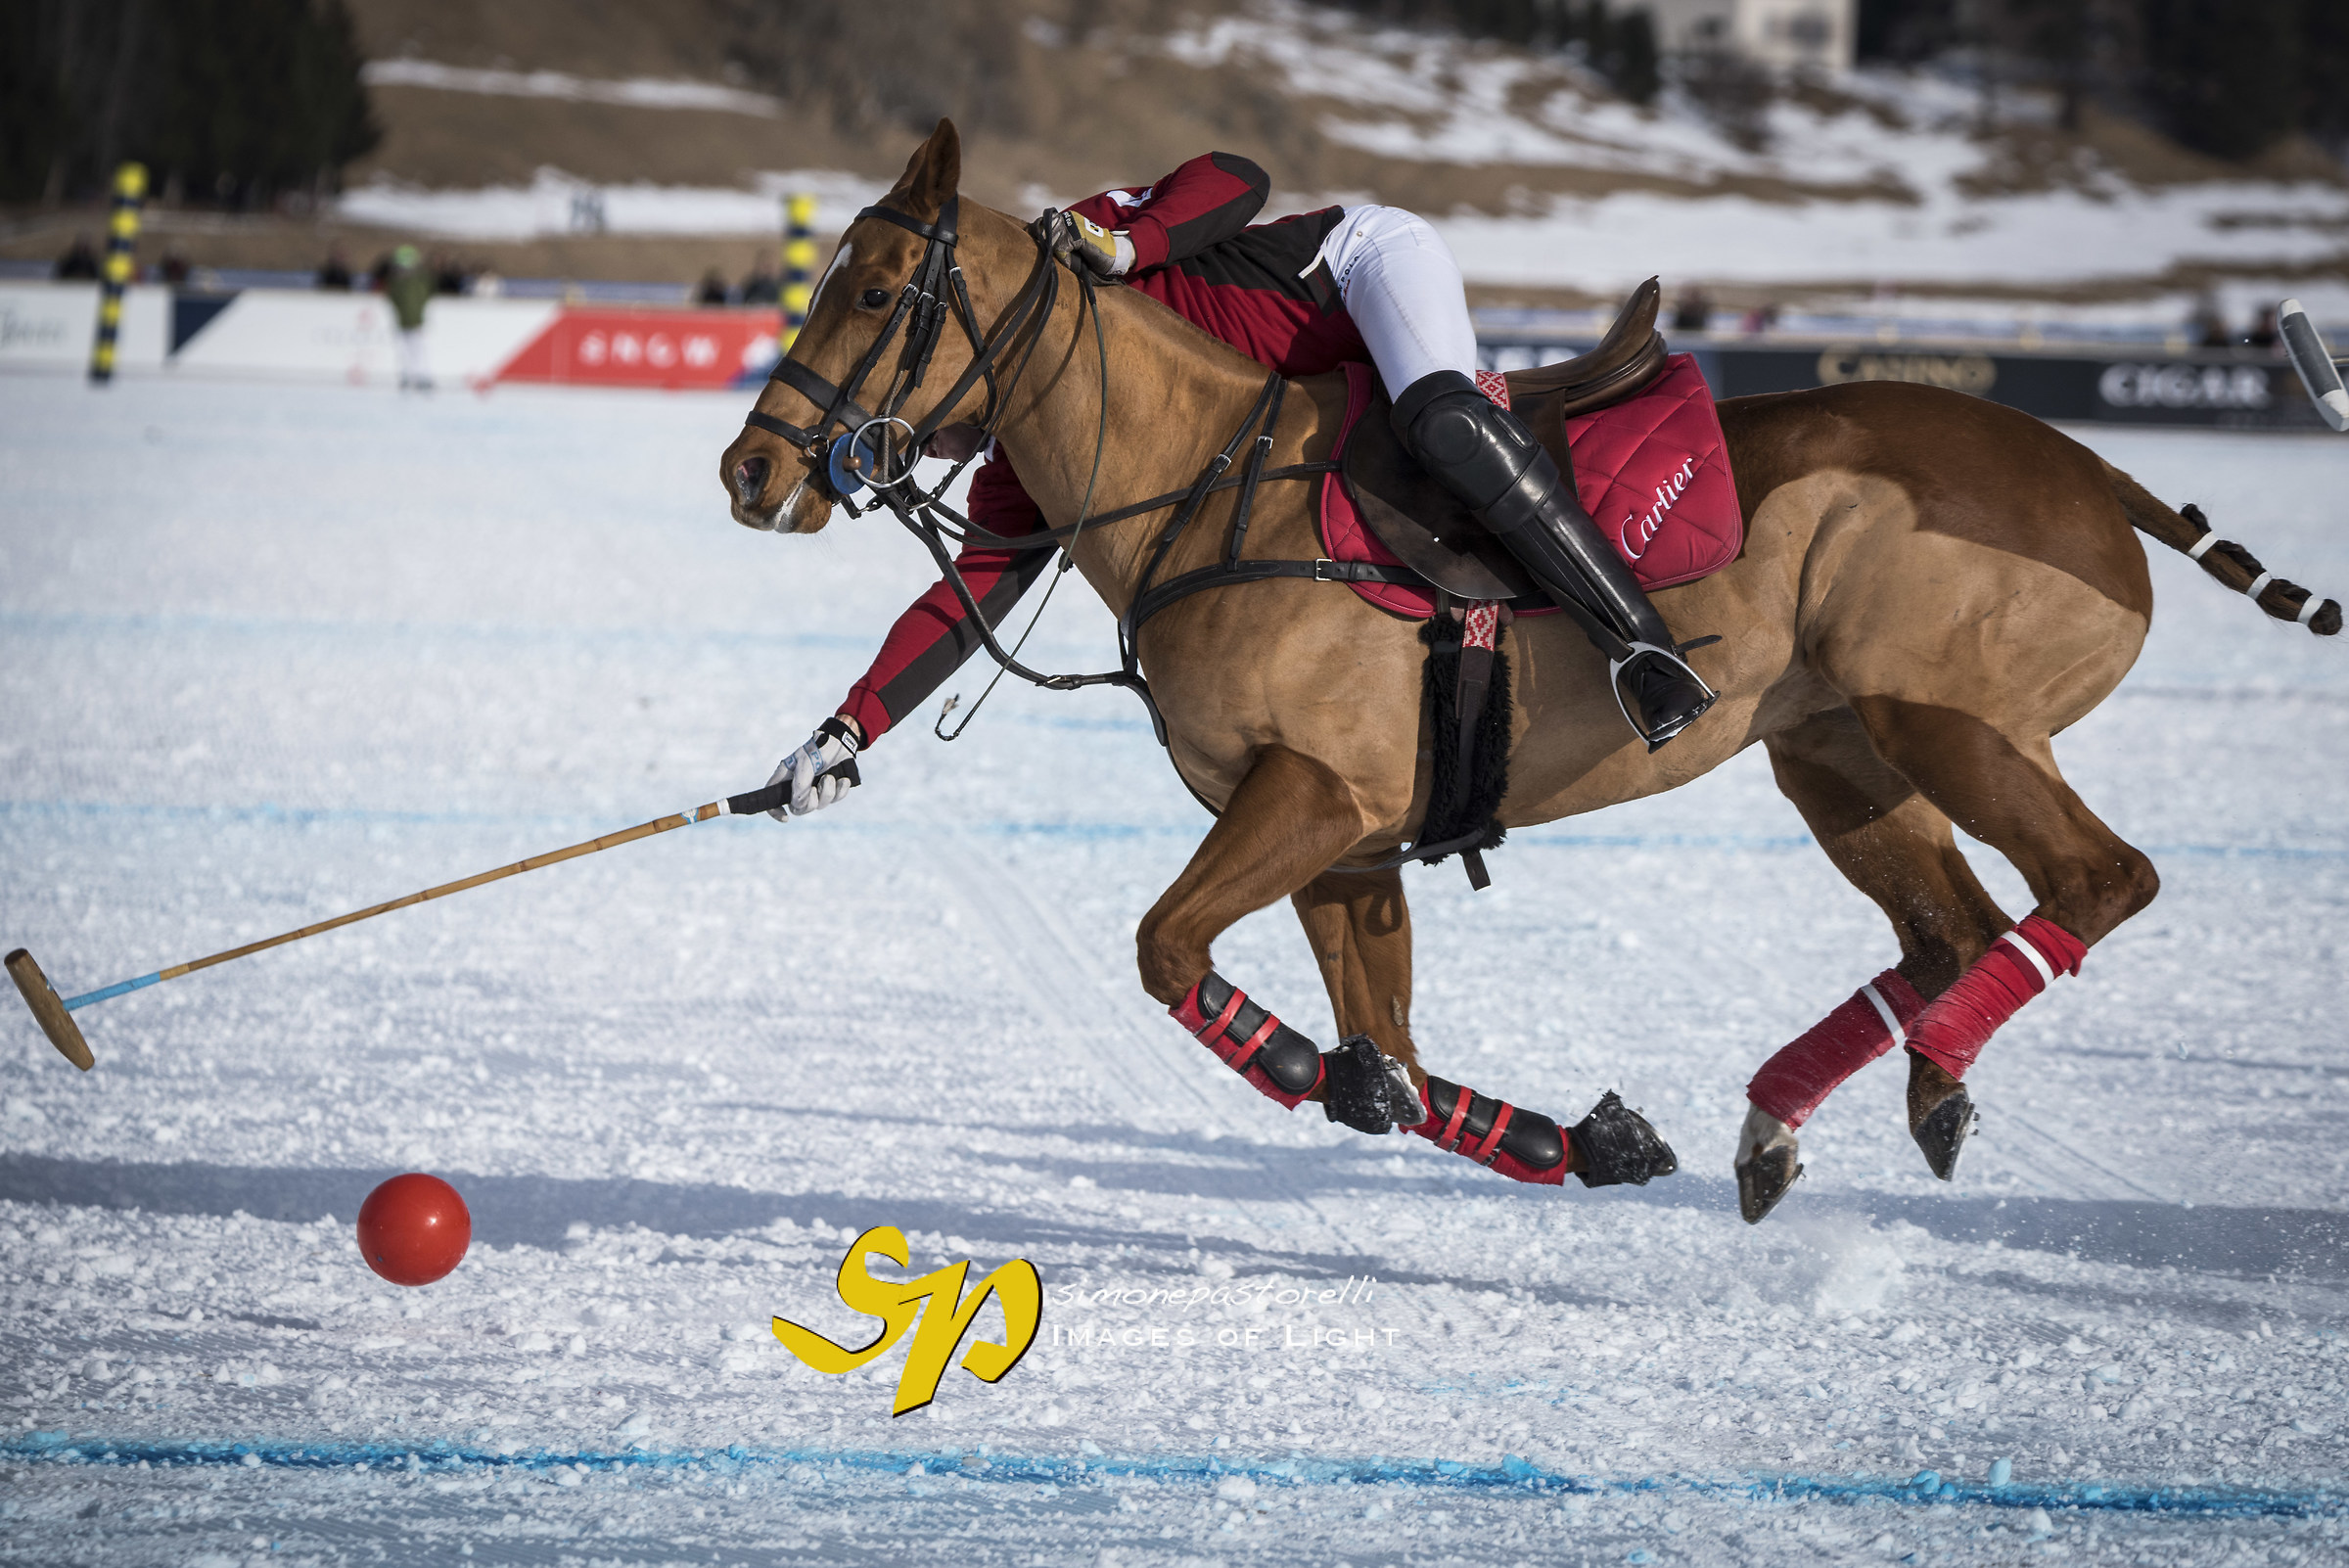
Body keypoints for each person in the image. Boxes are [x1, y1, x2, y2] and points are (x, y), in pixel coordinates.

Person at [762, 153, 1718, 817]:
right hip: (1318, 397)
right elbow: (976, 585)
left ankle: (1643, 651)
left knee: (1445, 421)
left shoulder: (1078, 247)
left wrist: (1133, 244)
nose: (936, 449)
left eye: (928, 426)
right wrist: (853, 728)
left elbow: (1237, 177)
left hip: (1360, 271)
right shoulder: (1032, 452)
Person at [384, 245, 435, 392]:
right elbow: (394, 300)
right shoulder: (398, 282)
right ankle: (408, 375)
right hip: (404, 320)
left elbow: (423, 298)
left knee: (418, 349)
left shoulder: (418, 281)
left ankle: (421, 376)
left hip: (414, 321)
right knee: (405, 349)